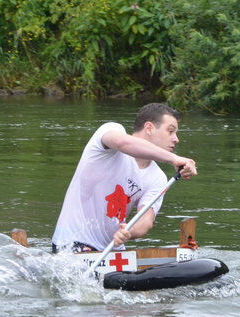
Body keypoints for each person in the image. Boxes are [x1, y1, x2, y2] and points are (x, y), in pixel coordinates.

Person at [51, 103, 197, 254]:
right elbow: (123, 143)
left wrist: (129, 232)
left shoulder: (157, 177)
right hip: (72, 242)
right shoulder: (110, 131)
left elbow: (146, 221)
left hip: (112, 249)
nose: (176, 139)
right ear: (149, 128)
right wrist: (174, 159)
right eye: (170, 131)